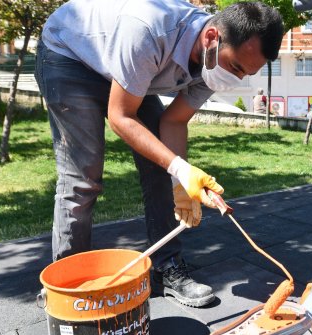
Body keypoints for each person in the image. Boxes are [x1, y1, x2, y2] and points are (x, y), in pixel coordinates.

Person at [35, 0, 283, 308]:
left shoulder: (214, 62)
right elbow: (120, 116)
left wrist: (181, 184)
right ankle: (68, 289)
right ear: (211, 39)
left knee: (161, 167)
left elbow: (174, 121)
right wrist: (180, 167)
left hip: (131, 66)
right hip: (70, 56)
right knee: (82, 177)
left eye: (246, 73)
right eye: (236, 68)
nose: (236, 80)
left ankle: (167, 269)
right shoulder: (148, 29)